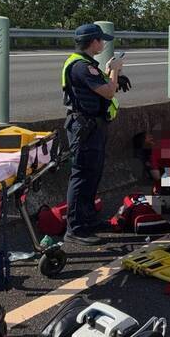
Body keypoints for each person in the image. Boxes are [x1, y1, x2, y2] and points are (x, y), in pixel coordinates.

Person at [61, 23, 131, 245]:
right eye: (102, 40)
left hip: (93, 126)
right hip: (84, 128)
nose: (103, 43)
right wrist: (116, 69)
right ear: (93, 42)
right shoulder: (81, 66)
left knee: (93, 174)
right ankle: (76, 228)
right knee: (81, 176)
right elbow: (108, 92)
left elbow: (104, 89)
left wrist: (114, 75)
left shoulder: (89, 64)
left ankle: (88, 220)